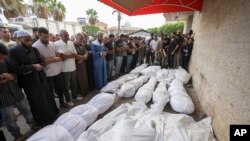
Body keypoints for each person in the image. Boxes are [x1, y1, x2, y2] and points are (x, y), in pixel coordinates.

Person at [7, 30, 59, 126]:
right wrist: (32, 67)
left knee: (47, 98)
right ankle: (42, 121)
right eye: (26, 40)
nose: (29, 42)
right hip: (29, 82)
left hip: (41, 78)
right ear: (18, 40)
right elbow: (14, 68)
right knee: (36, 102)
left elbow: (42, 61)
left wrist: (40, 65)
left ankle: (52, 116)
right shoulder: (13, 51)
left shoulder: (34, 49)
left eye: (30, 40)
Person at [0, 43, 35, 141]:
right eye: (1, 58)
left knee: (26, 109)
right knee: (9, 118)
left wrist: (11, 76)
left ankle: (32, 124)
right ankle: (17, 135)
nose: (3, 60)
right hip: (3, 97)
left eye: (4, 58)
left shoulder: (7, 59)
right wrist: (3, 76)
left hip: (16, 90)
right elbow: (5, 76)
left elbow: (15, 71)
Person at [33, 27, 67, 108]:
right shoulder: (35, 46)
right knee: (50, 92)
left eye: (48, 36)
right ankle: (54, 107)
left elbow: (59, 53)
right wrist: (53, 59)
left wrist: (56, 56)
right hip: (47, 74)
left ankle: (62, 103)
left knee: (60, 89)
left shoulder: (52, 44)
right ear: (39, 35)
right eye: (44, 37)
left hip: (57, 71)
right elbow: (40, 62)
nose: (47, 39)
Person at [54, 30, 83, 107]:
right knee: (66, 86)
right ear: (60, 36)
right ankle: (68, 100)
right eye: (65, 35)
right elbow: (61, 57)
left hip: (73, 67)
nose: (67, 37)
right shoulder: (56, 44)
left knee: (74, 83)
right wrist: (70, 55)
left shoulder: (70, 43)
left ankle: (74, 96)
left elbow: (75, 54)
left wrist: (68, 54)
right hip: (64, 68)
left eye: (68, 35)